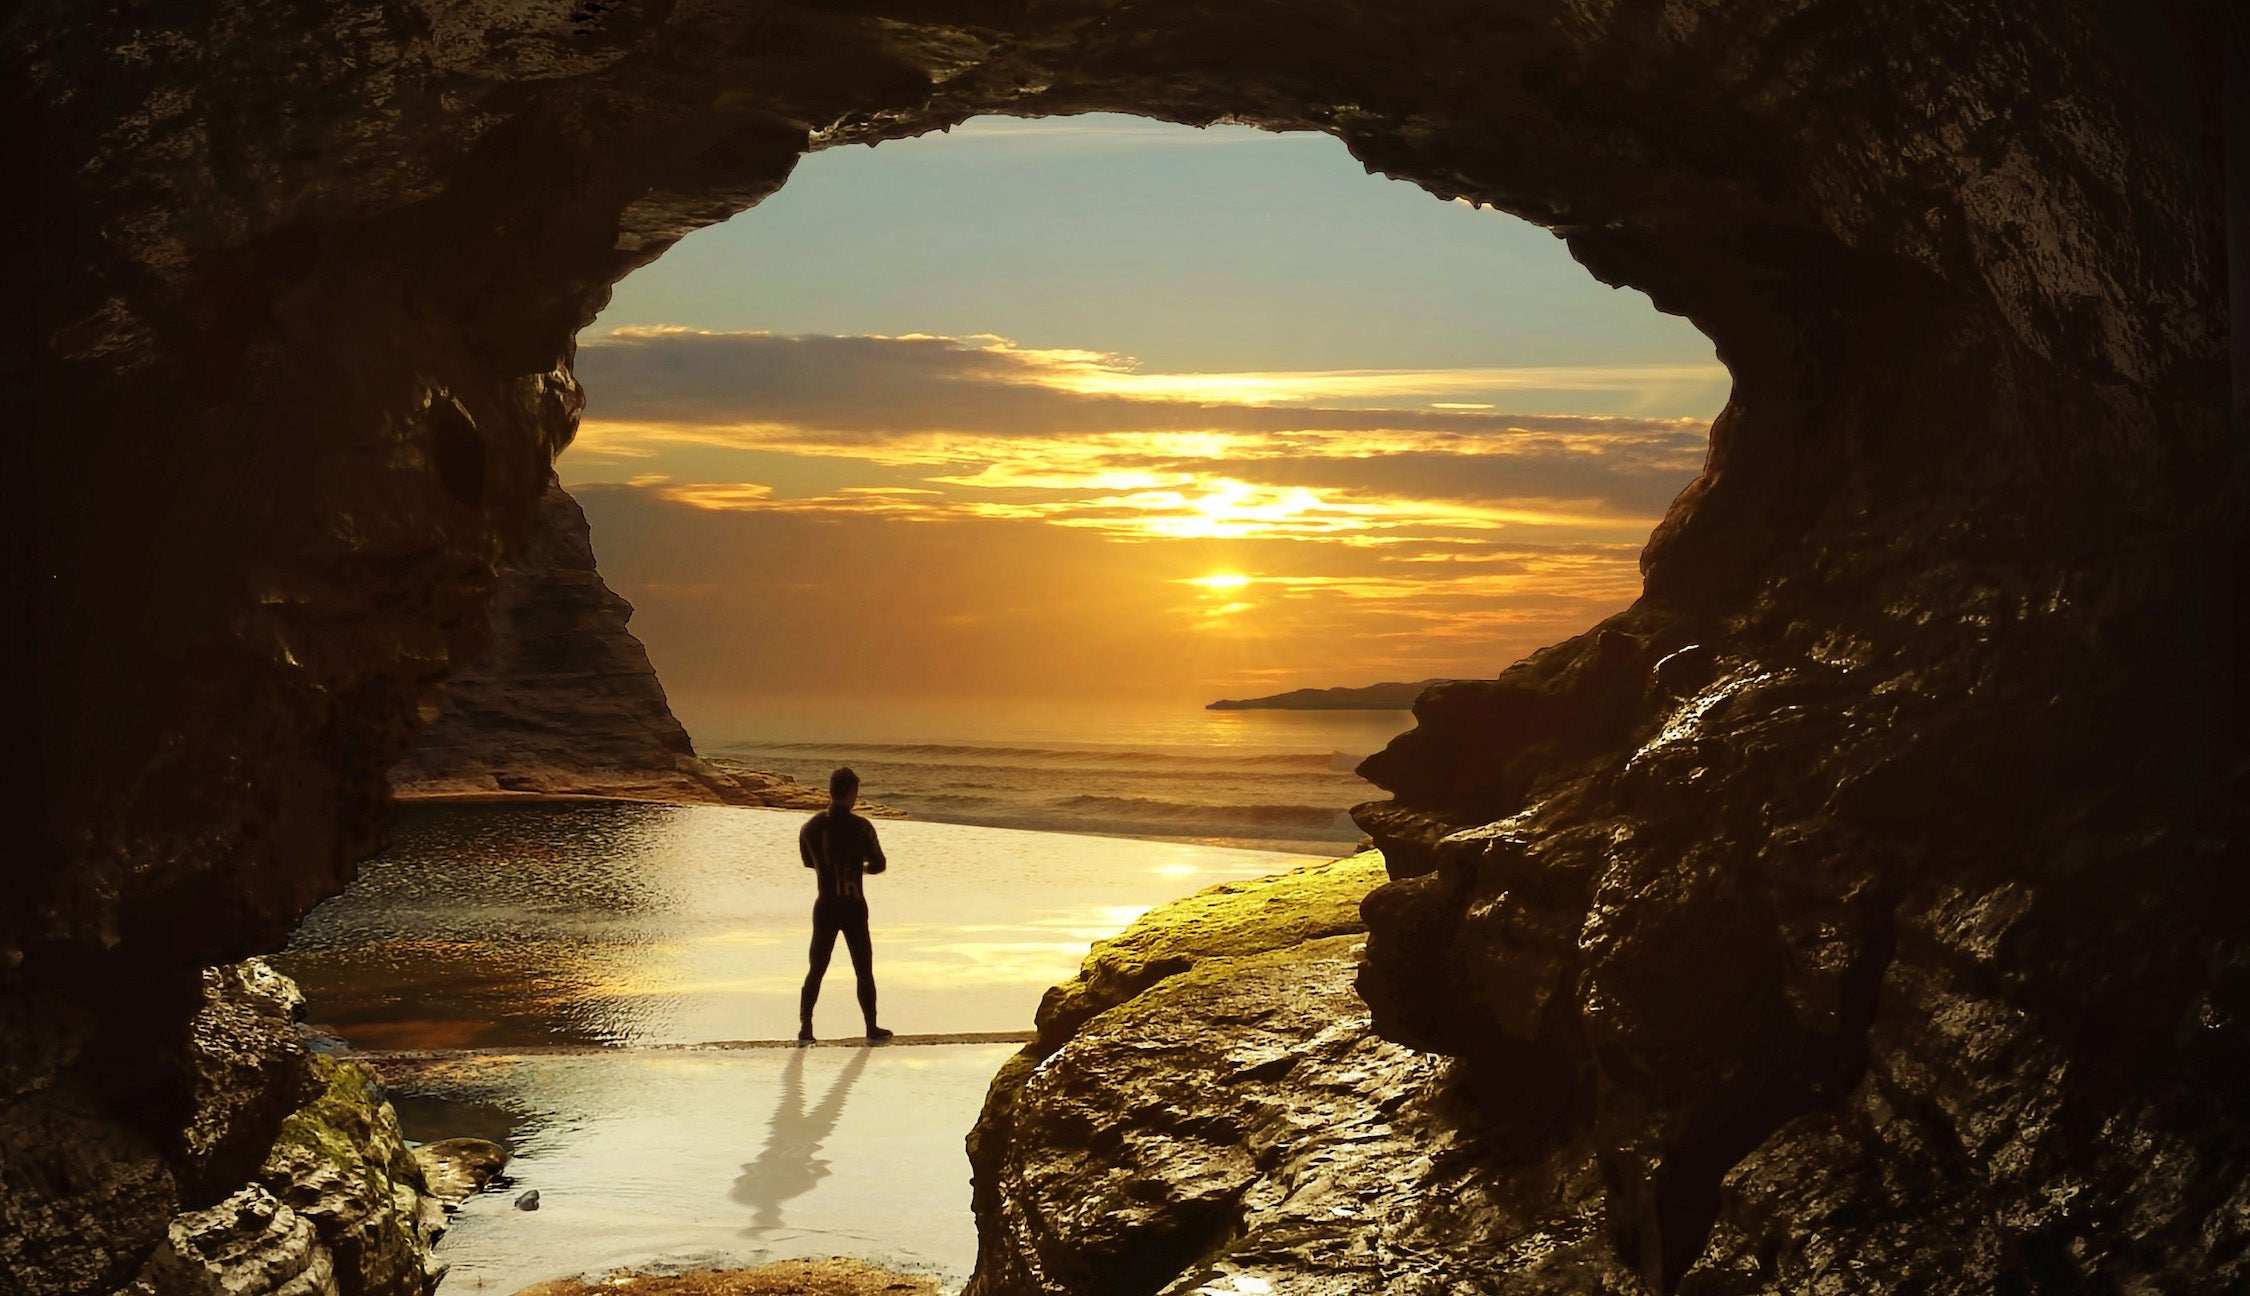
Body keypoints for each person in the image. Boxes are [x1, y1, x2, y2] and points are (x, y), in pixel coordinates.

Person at [797, 766, 892, 1043]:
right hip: (852, 904)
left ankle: (806, 1028)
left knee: (817, 967)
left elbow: (807, 862)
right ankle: (871, 1027)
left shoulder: (811, 827)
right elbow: (878, 864)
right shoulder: (861, 827)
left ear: (830, 790)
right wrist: (857, 868)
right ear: (852, 793)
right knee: (863, 968)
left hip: (825, 904)